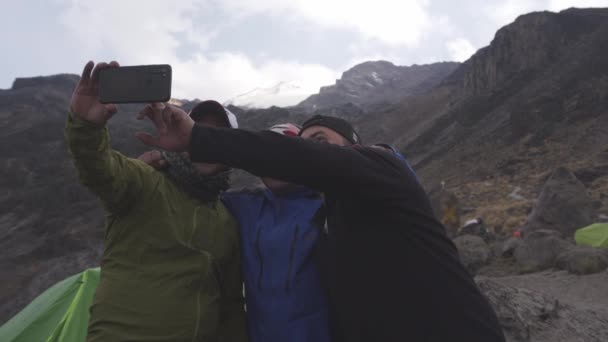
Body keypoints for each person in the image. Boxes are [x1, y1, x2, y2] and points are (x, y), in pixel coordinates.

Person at [137, 104, 506, 341]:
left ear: (352, 145)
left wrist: (200, 138)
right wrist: (171, 167)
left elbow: (306, 159)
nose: (314, 150)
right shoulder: (330, 215)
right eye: (308, 142)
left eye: (320, 140)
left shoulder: (385, 169)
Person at [66, 61, 247, 342]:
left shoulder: (226, 220)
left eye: (217, 137)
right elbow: (100, 169)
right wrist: (86, 128)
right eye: (199, 133)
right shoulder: (146, 182)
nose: (207, 143)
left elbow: (231, 304)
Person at [139, 123, 332, 342]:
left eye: (284, 153)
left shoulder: (330, 207)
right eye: (265, 157)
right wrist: (162, 171)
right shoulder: (245, 206)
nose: (275, 163)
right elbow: (196, 197)